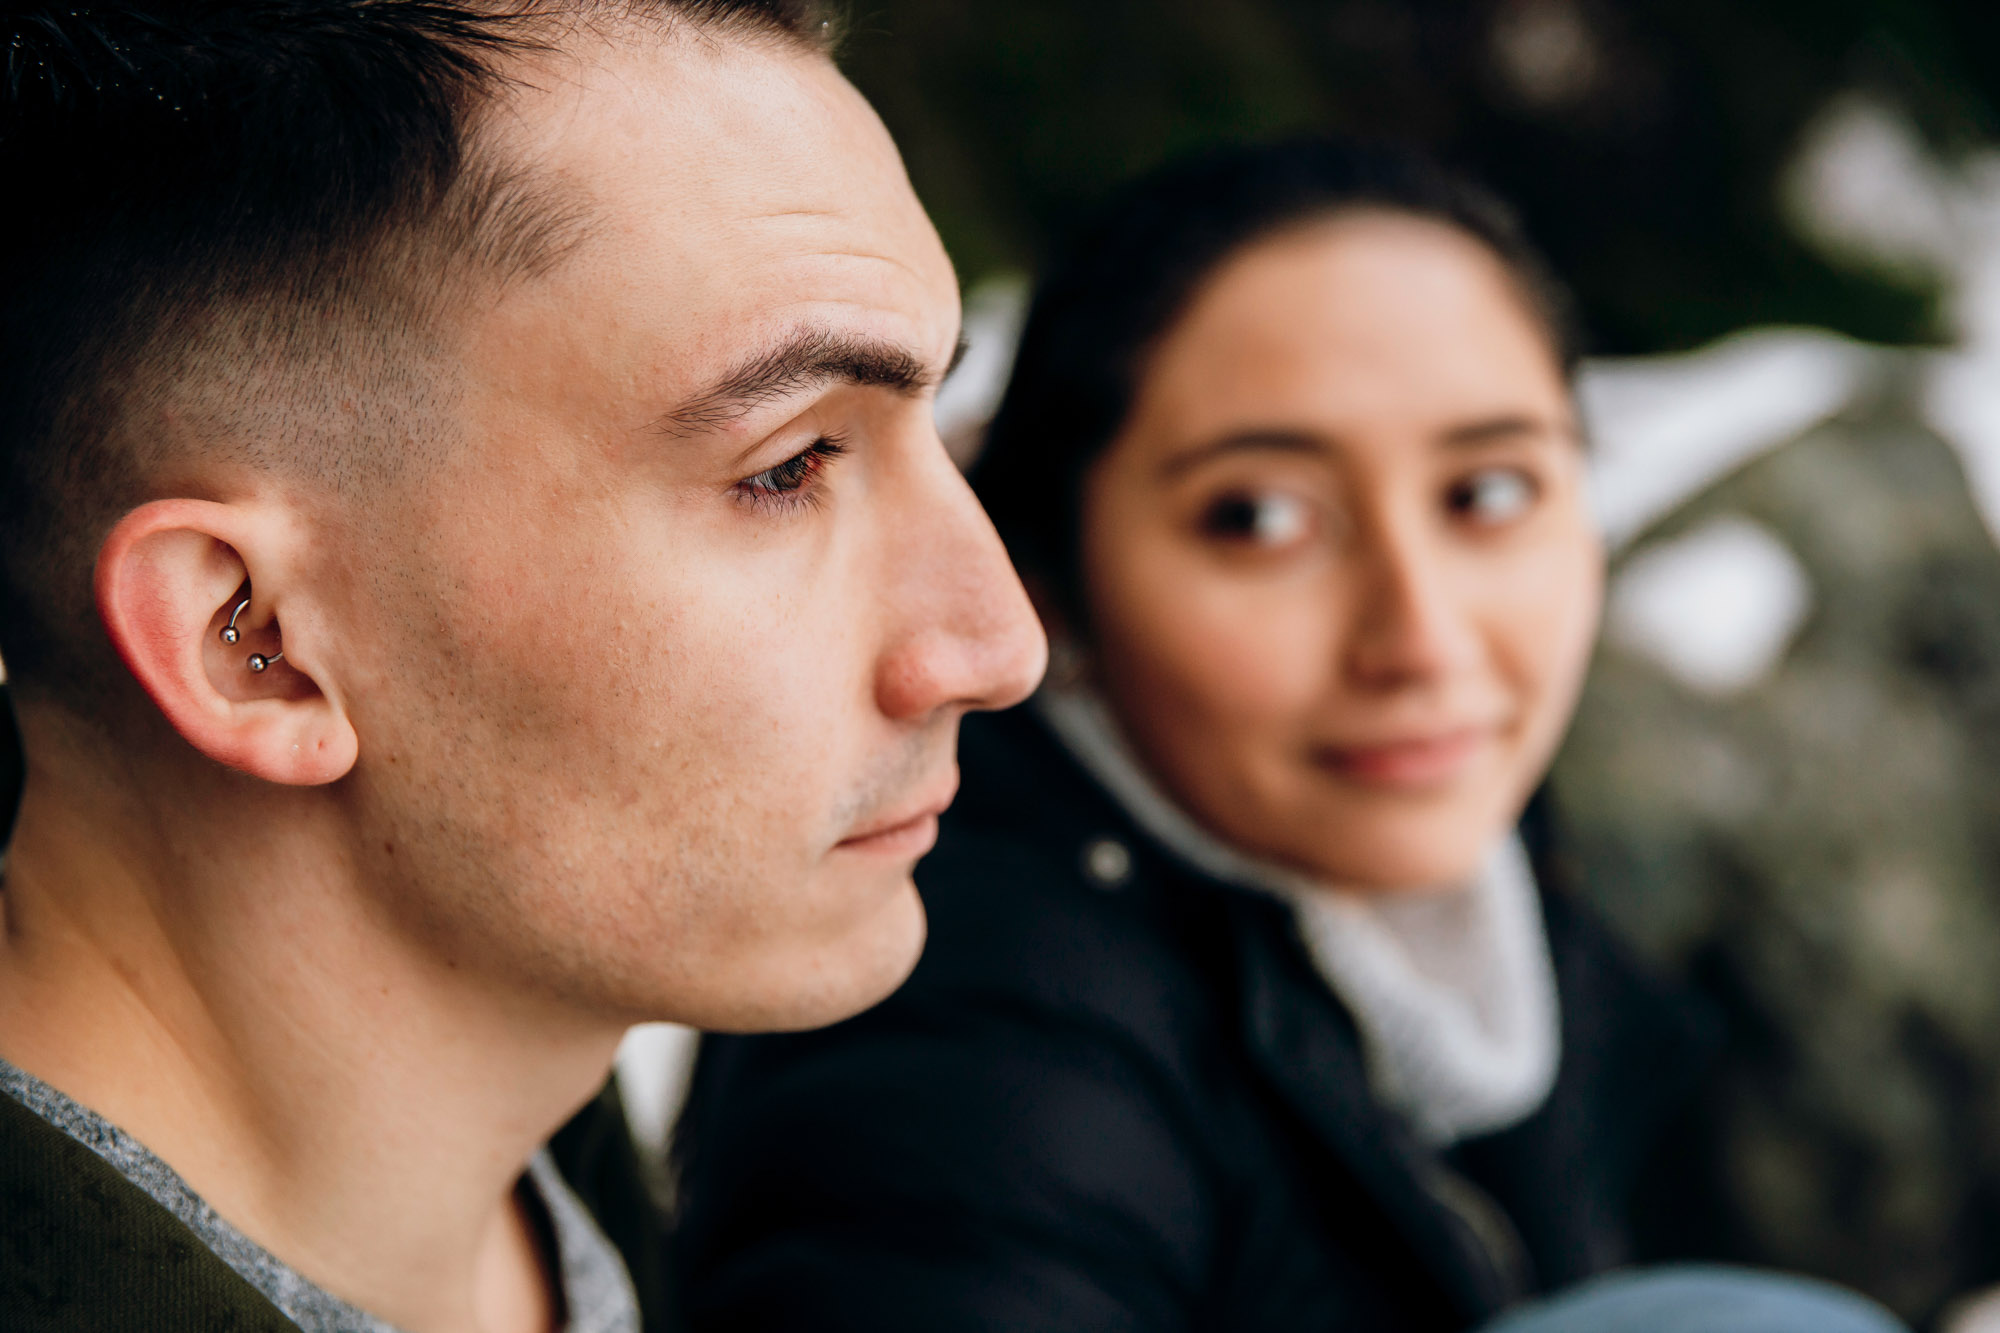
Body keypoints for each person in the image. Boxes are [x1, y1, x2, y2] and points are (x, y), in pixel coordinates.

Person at [668, 140, 1903, 1332]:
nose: (1420, 636)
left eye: (1486, 492)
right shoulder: (978, 1040)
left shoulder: (1457, 882)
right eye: (1257, 518)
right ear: (1048, 581)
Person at [0, 3, 1047, 1329]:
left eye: (937, 433)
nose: (999, 645)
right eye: (786, 467)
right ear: (259, 641)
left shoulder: (548, 1132)